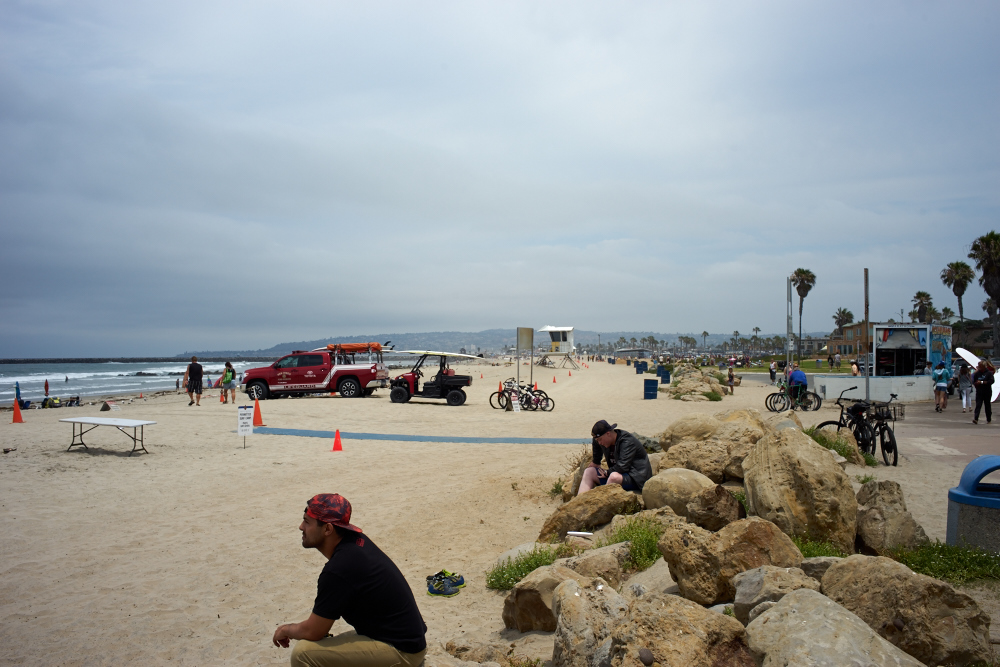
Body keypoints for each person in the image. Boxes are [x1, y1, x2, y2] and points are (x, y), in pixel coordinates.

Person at [272, 494, 427, 667]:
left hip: (403, 651)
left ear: (328, 529)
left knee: (302, 654)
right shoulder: (355, 542)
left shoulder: (339, 568)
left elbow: (313, 631)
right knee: (316, 644)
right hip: (403, 639)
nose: (301, 527)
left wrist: (286, 629)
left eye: (307, 522)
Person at [578, 420, 652, 495]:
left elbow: (622, 466)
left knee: (614, 477)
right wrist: (596, 461)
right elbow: (596, 441)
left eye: (600, 440)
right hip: (616, 475)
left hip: (635, 479)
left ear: (608, 434)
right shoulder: (604, 440)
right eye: (597, 440)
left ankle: (602, 500)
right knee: (589, 472)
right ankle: (580, 500)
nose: (599, 443)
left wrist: (607, 473)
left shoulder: (627, 441)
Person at [972, 360, 995, 425]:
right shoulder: (977, 373)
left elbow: (991, 381)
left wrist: (982, 382)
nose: (979, 367)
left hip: (987, 391)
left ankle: (989, 419)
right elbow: (974, 381)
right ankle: (976, 419)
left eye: (980, 366)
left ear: (984, 366)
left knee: (987, 405)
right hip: (979, 391)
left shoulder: (989, 373)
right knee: (978, 405)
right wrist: (976, 384)